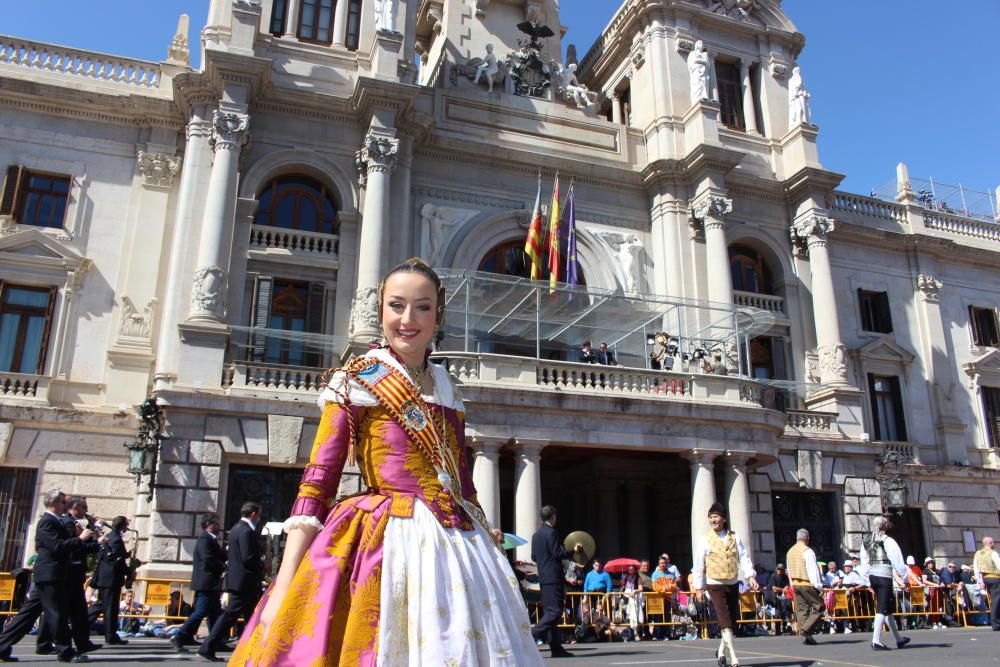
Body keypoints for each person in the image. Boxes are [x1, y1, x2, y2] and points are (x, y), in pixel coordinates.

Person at [228, 259, 543, 666]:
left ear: (438, 314)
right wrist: (285, 581)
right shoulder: (355, 380)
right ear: (380, 311)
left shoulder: (448, 386)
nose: (407, 319)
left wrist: (488, 544)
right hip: (386, 539)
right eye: (396, 305)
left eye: (422, 307)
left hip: (459, 548)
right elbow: (316, 483)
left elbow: (462, 485)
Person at [692, 502, 758, 667]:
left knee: (731, 621)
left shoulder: (735, 537)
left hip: (733, 582)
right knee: (724, 619)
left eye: (716, 516)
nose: (713, 520)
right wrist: (698, 587)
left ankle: (721, 651)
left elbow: (743, 557)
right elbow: (699, 564)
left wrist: (750, 576)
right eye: (711, 517)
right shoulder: (705, 539)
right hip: (714, 584)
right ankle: (734, 658)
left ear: (724, 519)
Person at [34, 489, 95, 663]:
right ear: (54, 503)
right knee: (57, 614)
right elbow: (59, 547)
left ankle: (3, 645)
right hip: (50, 573)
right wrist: (81, 539)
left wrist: (89, 536)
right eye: (62, 503)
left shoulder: (56, 521)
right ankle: (65, 651)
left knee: (33, 614)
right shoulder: (48, 522)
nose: (65, 506)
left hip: (55, 573)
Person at [199, 502, 263, 661]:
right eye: (259, 515)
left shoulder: (235, 529)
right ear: (253, 514)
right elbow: (247, 557)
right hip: (244, 582)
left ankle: (255, 647)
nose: (259, 519)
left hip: (239, 580)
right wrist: (262, 563)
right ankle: (208, 646)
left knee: (252, 616)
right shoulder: (246, 531)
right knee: (230, 615)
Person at [531, 505, 583, 658]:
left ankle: (556, 648)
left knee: (549, 611)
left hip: (544, 578)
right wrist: (573, 551)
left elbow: (534, 557)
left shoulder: (536, 535)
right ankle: (529, 634)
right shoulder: (551, 532)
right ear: (553, 517)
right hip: (554, 577)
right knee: (555, 612)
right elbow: (557, 553)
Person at [172, 514, 226, 652]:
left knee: (214, 612)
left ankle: (214, 640)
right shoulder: (205, 539)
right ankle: (180, 635)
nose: (218, 526)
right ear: (208, 524)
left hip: (211, 582)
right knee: (201, 611)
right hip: (206, 582)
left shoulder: (212, 540)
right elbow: (208, 559)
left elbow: (220, 555)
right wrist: (223, 566)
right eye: (216, 523)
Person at [859, 516, 910, 651]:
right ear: (884, 526)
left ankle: (898, 639)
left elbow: (864, 561)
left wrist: (866, 579)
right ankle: (876, 640)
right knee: (882, 607)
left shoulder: (866, 541)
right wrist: (904, 577)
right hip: (884, 575)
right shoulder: (887, 540)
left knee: (887, 609)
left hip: (872, 575)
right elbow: (896, 558)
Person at [91, 516, 129, 645]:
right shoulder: (116, 539)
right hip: (111, 579)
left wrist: (127, 555)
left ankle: (79, 625)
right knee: (111, 609)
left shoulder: (111, 536)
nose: (127, 527)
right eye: (126, 525)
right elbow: (117, 561)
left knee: (101, 605)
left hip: (106, 578)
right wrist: (129, 572)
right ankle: (111, 636)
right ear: (122, 526)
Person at [786, 528, 824, 644]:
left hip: (795, 584)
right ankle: (805, 630)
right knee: (819, 607)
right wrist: (818, 586)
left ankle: (806, 638)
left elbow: (789, 569)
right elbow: (812, 570)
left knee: (801, 610)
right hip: (806, 583)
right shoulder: (807, 551)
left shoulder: (790, 551)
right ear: (807, 538)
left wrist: (792, 584)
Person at [973, 536, 1000, 631]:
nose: (994, 544)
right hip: (995, 578)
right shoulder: (993, 553)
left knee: (993, 601)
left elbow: (976, 568)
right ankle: (996, 623)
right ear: (990, 543)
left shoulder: (978, 553)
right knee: (997, 601)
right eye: (993, 542)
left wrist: (980, 581)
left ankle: (995, 622)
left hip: (985, 578)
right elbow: (999, 565)